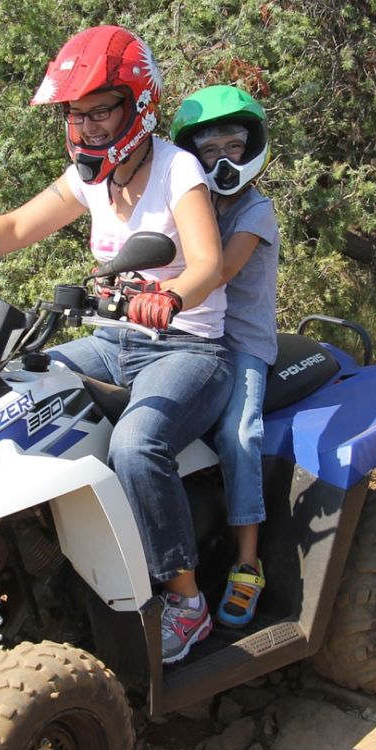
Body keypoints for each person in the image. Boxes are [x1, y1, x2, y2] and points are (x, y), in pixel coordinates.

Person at [0, 25, 229, 665]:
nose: (86, 125)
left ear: (136, 103)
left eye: (100, 109)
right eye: (75, 113)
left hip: (189, 350)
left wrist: (172, 297)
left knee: (138, 444)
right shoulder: (92, 178)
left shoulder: (176, 168)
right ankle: (30, 572)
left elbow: (210, 262)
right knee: (15, 390)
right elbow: (22, 224)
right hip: (114, 342)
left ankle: (187, 604)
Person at [170, 85, 278, 629]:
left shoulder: (257, 210)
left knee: (240, 435)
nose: (222, 160)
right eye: (208, 151)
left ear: (253, 147)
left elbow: (219, 269)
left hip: (241, 346)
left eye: (233, 146)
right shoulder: (192, 203)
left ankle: (247, 563)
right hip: (190, 336)